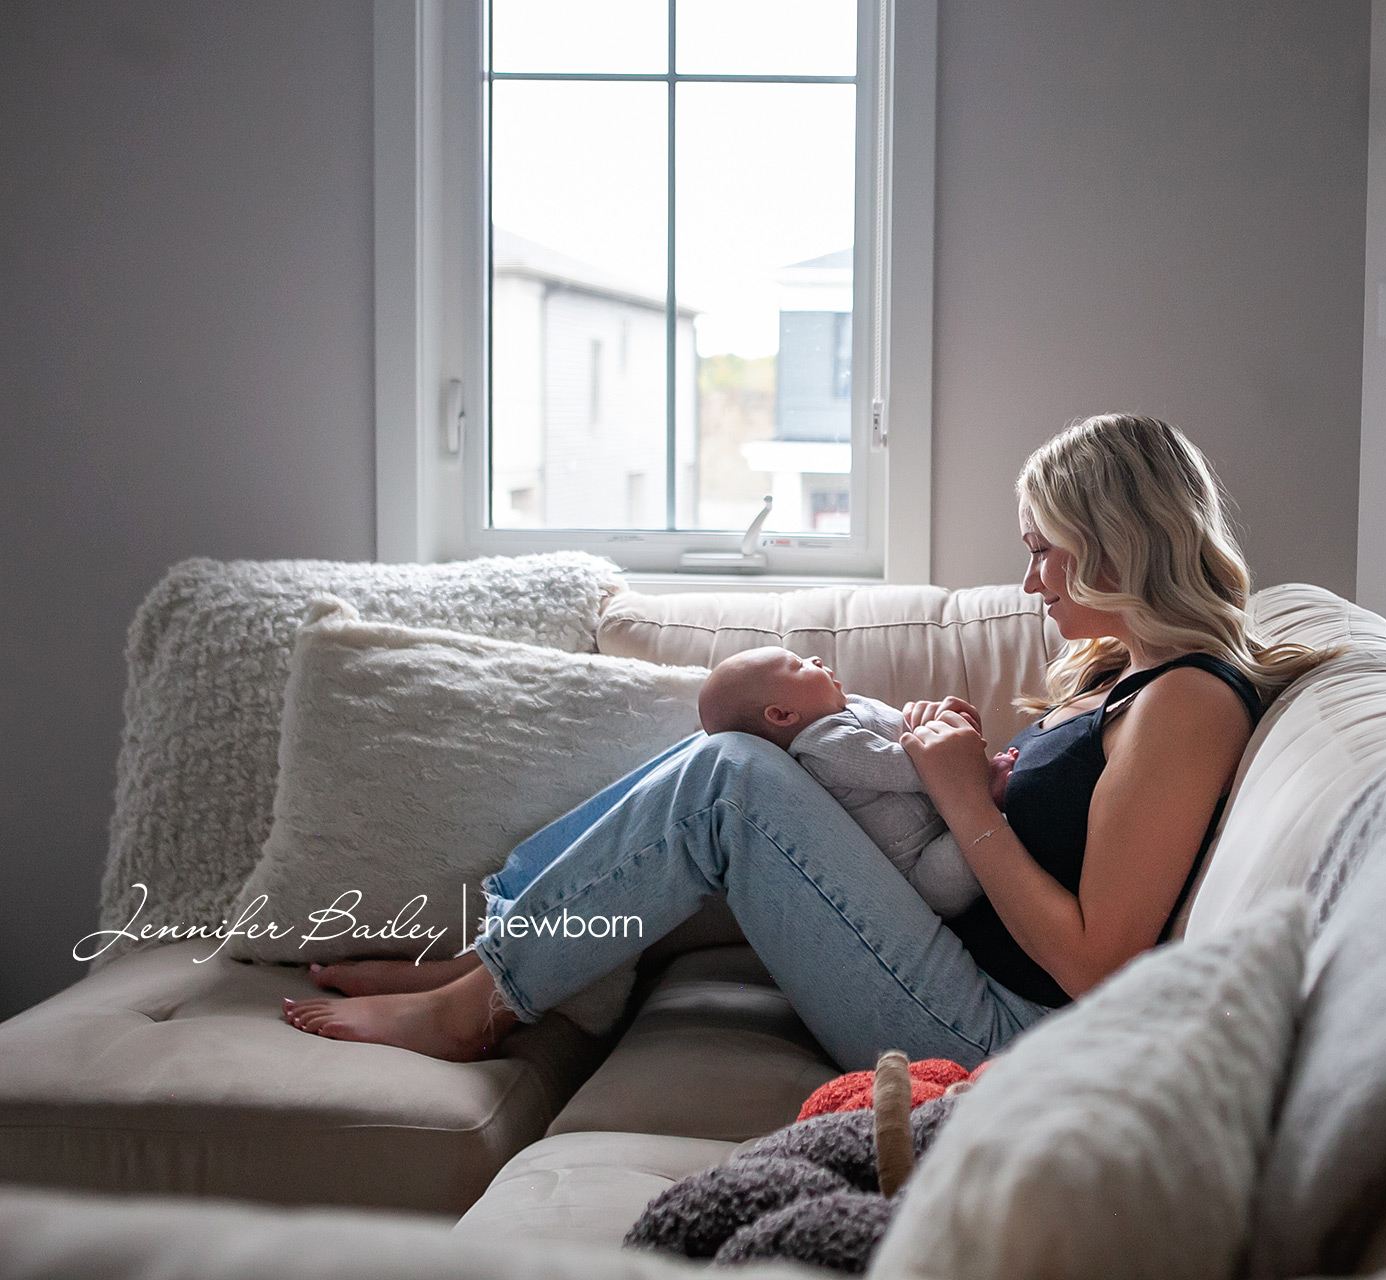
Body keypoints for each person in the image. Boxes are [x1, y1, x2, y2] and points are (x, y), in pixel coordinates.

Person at [283, 414, 1327, 1069]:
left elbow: (1099, 961)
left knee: (732, 777)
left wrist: (964, 795)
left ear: (1116, 542)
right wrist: (979, 770)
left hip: (1002, 1029)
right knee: (733, 760)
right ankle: (497, 958)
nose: (1030, 581)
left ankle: (481, 1002)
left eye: (1045, 552)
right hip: (956, 969)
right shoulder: (1126, 674)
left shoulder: (1191, 700)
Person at [695, 646, 1017, 917]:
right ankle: (991, 797)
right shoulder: (822, 746)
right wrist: (978, 772)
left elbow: (906, 732)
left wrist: (932, 722)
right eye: (798, 666)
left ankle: (987, 797)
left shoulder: (852, 705)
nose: (815, 660)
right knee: (966, 861)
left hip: (944, 815)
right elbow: (903, 768)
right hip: (918, 870)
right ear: (782, 715)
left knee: (979, 835)